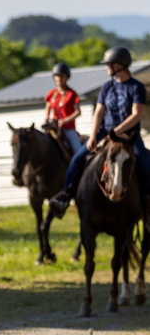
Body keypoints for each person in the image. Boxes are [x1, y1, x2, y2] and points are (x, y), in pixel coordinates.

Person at [50, 46, 150, 218]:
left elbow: (136, 115)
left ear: (118, 65)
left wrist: (117, 131)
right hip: (105, 132)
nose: (106, 67)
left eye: (108, 64)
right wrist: (94, 135)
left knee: (145, 163)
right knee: (77, 159)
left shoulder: (136, 87)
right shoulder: (106, 87)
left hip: (129, 136)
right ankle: (65, 197)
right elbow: (99, 112)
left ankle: (147, 203)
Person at [44, 63, 82, 153]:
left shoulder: (72, 94)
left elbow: (78, 112)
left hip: (68, 129)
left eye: (62, 76)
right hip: (54, 126)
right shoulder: (52, 93)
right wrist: (46, 119)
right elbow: (48, 108)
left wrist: (65, 120)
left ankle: (81, 165)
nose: (59, 79)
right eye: (56, 76)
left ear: (67, 77)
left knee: (77, 150)